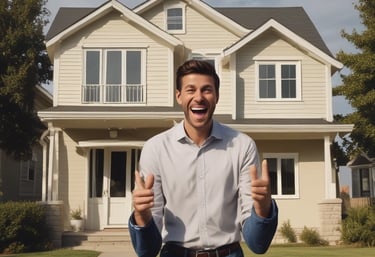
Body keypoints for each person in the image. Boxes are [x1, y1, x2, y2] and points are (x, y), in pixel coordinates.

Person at [129, 60, 278, 257]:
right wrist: (142, 214)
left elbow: (257, 244)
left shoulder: (243, 146)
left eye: (207, 90)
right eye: (190, 90)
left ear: (216, 96)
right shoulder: (155, 149)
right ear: (179, 96)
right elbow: (146, 251)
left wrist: (263, 207)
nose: (199, 97)